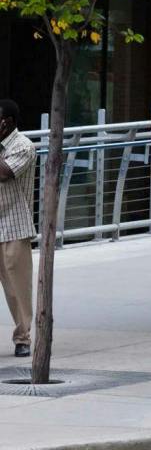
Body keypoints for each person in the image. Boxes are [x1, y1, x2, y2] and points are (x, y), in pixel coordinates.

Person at [0, 99, 33, 358]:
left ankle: (23, 338)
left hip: (13, 226)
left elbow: (4, 172)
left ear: (7, 122)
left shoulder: (24, 146)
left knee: (17, 289)